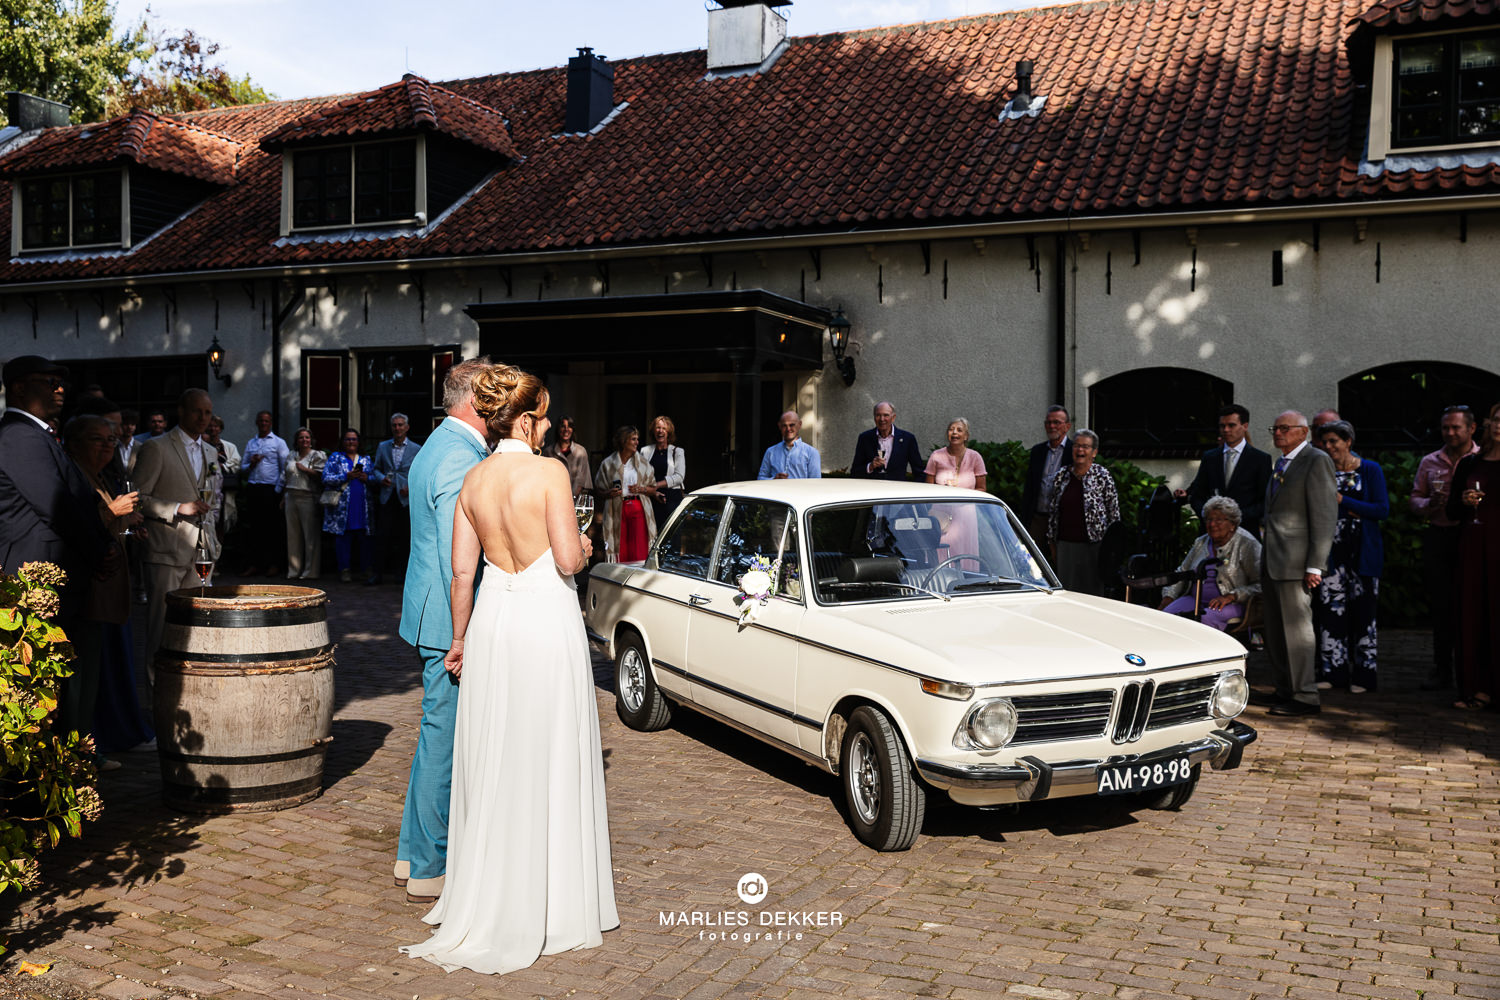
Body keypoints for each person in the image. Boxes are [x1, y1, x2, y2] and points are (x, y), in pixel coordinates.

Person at [401, 366, 617, 975]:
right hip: (544, 618)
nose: (549, 425)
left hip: (493, 622)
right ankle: (549, 896)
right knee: (547, 746)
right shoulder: (548, 472)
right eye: (544, 416)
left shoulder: (472, 479)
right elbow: (570, 561)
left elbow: (461, 576)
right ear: (525, 419)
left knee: (496, 749)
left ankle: (487, 889)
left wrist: (461, 638)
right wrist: (586, 545)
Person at [396, 358, 496, 903]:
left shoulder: (439, 442)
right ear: (477, 401)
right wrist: (465, 632)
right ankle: (432, 863)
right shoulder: (460, 456)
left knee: (434, 732)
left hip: (427, 609)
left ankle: (412, 852)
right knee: (444, 739)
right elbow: (460, 562)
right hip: (446, 619)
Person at [0, 356, 116, 749]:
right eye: (49, 381)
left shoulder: (40, 435)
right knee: (35, 692)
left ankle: (59, 767)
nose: (60, 388)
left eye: (61, 382)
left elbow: (77, 501)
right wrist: (99, 552)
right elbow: (56, 507)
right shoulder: (18, 435)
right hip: (32, 583)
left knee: (60, 685)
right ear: (18, 388)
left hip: (59, 581)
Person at [64, 414, 150, 762]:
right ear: (74, 443)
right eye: (97, 440)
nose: (107, 447)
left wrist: (127, 524)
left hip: (103, 595)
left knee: (93, 676)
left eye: (111, 441)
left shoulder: (96, 476)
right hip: (84, 593)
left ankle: (85, 750)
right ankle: (75, 755)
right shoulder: (71, 476)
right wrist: (114, 512)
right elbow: (73, 527)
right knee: (77, 680)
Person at [1255, 410, 1338, 717]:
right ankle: (1285, 689)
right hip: (1273, 559)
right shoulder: (1282, 462)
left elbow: (1325, 514)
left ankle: (1305, 695)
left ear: (1303, 432)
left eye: (1285, 428)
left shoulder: (1316, 461)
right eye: (1275, 428)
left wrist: (1316, 564)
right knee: (1275, 630)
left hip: (1296, 562)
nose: (1278, 433)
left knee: (1297, 629)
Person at [131, 388, 216, 678]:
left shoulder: (211, 451)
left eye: (207, 412)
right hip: (166, 549)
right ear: (181, 411)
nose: (203, 418)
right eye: (197, 411)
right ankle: (156, 700)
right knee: (161, 628)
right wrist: (179, 507)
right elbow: (137, 497)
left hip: (202, 551)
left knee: (198, 626)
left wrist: (215, 540)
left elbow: (213, 500)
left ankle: (189, 691)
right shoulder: (157, 447)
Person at [1311, 421, 1387, 693]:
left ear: (1348, 442)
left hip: (1362, 551)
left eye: (1334, 441)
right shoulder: (1323, 470)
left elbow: (1380, 509)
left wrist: (1346, 503)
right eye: (1325, 442)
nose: (1329, 447)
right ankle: (1334, 674)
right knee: (1331, 611)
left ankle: (1364, 677)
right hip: (1331, 553)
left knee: (1364, 614)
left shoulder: (1369, 469)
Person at [1411, 405, 1479, 690]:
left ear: (1471, 429)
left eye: (1456, 427)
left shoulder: (1482, 459)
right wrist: (1430, 505)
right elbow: (1415, 499)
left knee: (1471, 605)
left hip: (1470, 537)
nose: (1450, 433)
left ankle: (1473, 669)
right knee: (1441, 606)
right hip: (1439, 536)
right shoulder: (1430, 461)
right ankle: (1442, 668)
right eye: (1445, 428)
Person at [1447, 402, 1500, 711]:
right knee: (1472, 614)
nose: (1498, 425)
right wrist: (1464, 501)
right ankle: (1476, 688)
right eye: (1495, 419)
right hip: (1472, 545)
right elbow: (1452, 511)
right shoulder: (1470, 463)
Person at [1159, 496, 1262, 631]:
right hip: (1195, 600)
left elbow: (1262, 584)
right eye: (1209, 519)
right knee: (1165, 617)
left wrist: (1232, 596)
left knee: (1204, 619)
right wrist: (1168, 596)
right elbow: (1182, 573)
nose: (1212, 524)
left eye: (1219, 520)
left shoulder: (1247, 544)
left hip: (1233, 604)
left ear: (1232, 524)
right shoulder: (1201, 542)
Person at [1176, 404, 1273, 536]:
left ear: (1245, 426)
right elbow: (1198, 494)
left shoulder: (1260, 459)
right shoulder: (1210, 457)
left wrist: (1233, 519)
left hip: (1244, 532)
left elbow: (1265, 501)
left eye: (1231, 425)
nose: (1226, 430)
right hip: (1211, 532)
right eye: (1222, 426)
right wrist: (1209, 516)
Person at [1046, 428, 1120, 596]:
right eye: (1077, 446)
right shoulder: (1061, 475)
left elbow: (1114, 515)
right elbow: (1053, 514)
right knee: (1066, 594)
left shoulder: (1102, 476)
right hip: (1065, 546)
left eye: (1085, 447)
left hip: (1094, 547)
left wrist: (1111, 551)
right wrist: (1052, 544)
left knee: (1092, 595)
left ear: (1094, 452)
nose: (1080, 450)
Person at [925, 417, 987, 570]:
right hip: (940, 514)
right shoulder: (936, 456)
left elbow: (982, 489)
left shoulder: (975, 457)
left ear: (966, 436)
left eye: (959, 430)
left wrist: (963, 495)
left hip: (966, 514)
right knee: (940, 552)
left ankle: (966, 583)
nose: (954, 433)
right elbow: (926, 488)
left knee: (965, 554)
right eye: (951, 429)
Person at [369, 413, 422, 585]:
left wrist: (411, 486)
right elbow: (375, 469)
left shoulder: (416, 449)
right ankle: (377, 574)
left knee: (404, 537)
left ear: (407, 427)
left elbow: (419, 472)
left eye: (400, 425)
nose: (397, 428)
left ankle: (401, 575)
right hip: (387, 495)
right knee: (382, 536)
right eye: (394, 425)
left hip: (405, 498)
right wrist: (380, 478)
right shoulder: (383, 446)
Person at [595, 425, 658, 564]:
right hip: (616, 509)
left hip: (638, 508)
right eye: (633, 439)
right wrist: (608, 493)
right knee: (620, 549)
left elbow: (653, 489)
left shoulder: (643, 463)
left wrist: (641, 489)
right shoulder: (608, 463)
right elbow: (598, 490)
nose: (637, 442)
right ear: (624, 441)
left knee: (639, 549)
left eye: (637, 439)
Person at [322, 429, 376, 583]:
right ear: (343, 442)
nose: (351, 442)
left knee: (364, 541)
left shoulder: (365, 459)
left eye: (354, 439)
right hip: (342, 509)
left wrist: (367, 477)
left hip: (362, 508)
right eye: (348, 439)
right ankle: (344, 570)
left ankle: (366, 570)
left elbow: (374, 479)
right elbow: (326, 478)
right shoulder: (336, 458)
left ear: (358, 442)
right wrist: (346, 476)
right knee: (343, 541)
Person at [241, 410, 289, 576]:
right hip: (254, 488)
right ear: (257, 422)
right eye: (261, 421)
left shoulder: (279, 443)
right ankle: (255, 564)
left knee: (272, 529)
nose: (263, 423)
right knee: (255, 528)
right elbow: (243, 468)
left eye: (266, 421)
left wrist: (278, 491)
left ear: (270, 423)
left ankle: (273, 564)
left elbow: (285, 469)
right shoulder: (251, 443)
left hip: (270, 489)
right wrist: (251, 464)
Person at [1022, 405, 1073, 546]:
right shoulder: (1038, 451)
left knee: (1060, 561)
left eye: (1056, 422)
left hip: (1062, 520)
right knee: (1032, 560)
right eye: (1048, 422)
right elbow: (1030, 486)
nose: (1051, 426)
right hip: (1038, 518)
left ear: (1067, 426)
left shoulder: (1073, 452)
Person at [283, 428, 326, 580]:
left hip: (308, 497)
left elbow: (322, 476)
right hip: (290, 496)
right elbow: (285, 477)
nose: (304, 440)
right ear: (296, 440)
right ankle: (294, 570)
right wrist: (283, 497)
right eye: (301, 438)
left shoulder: (317, 455)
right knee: (293, 536)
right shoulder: (291, 455)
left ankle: (310, 571)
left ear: (311, 440)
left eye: (307, 437)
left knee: (310, 536)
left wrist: (305, 469)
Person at [851, 401, 924, 480]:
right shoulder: (865, 438)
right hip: (872, 489)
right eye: (878, 415)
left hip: (897, 489)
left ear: (893, 417)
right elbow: (855, 472)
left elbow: (919, 471)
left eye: (886, 415)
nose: (882, 419)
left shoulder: (908, 439)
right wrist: (871, 466)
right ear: (874, 417)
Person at [640, 414, 686, 525]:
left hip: (672, 498)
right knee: (652, 536)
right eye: (658, 428)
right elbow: (640, 476)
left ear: (669, 432)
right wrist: (653, 492)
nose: (660, 431)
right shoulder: (644, 451)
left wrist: (657, 485)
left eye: (664, 428)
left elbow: (679, 477)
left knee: (672, 537)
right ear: (654, 431)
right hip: (651, 498)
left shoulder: (678, 451)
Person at [204, 415, 241, 543]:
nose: (213, 428)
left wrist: (222, 466)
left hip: (224, 490)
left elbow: (236, 463)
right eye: (210, 425)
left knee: (220, 522)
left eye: (216, 426)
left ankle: (218, 554)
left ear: (220, 429)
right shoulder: (201, 445)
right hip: (206, 489)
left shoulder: (228, 447)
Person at [757, 410, 821, 479]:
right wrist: (774, 479)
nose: (788, 429)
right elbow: (761, 478)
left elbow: (815, 483)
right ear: (779, 426)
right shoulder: (770, 452)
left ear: (799, 424)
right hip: (775, 490)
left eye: (792, 425)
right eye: (784, 425)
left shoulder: (811, 453)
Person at [541, 415, 591, 498]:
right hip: (554, 499)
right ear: (558, 429)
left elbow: (585, 481)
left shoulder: (581, 452)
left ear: (573, 430)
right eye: (563, 426)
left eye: (569, 426)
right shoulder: (548, 452)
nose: (566, 430)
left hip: (577, 501)